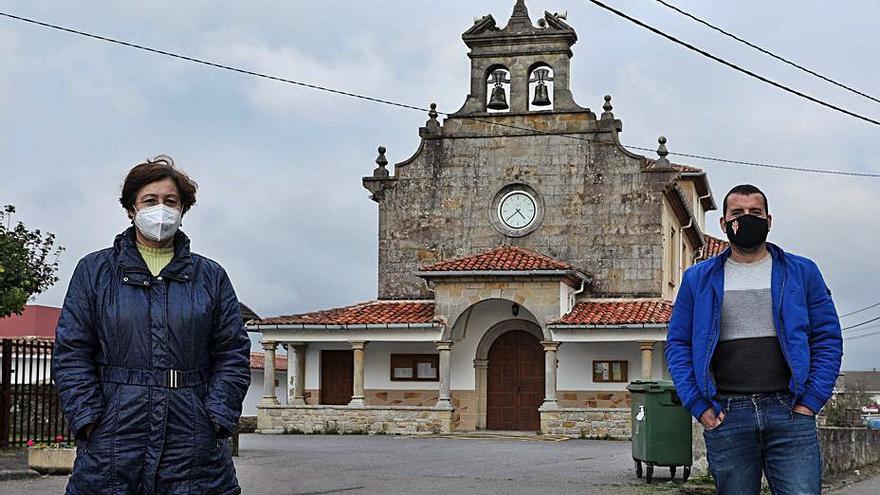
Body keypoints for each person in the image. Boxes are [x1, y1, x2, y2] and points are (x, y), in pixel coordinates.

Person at [52, 155, 251, 494]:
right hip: (113, 439)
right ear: (132, 208)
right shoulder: (95, 271)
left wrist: (216, 419)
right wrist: (89, 422)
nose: (161, 209)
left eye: (170, 201)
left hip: (193, 440)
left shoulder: (211, 277)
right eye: (150, 200)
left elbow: (232, 353)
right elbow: (72, 352)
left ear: (183, 209)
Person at [665, 184, 842, 494]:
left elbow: (827, 338)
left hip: (790, 412)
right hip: (727, 414)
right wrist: (698, 405)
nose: (746, 219)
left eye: (755, 213)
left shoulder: (802, 272)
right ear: (723, 223)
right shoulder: (698, 279)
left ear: (769, 221)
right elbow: (679, 343)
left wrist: (810, 402)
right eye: (737, 213)